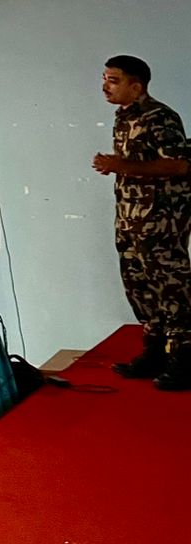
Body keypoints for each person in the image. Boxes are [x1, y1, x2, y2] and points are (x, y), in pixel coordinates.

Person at [94, 54, 191, 389]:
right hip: (131, 218)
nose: (105, 86)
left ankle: (185, 358)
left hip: (161, 220)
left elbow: (178, 165)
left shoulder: (161, 117)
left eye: (114, 80)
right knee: (139, 287)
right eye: (105, 79)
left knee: (172, 287)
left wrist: (120, 165)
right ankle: (156, 352)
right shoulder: (124, 118)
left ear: (136, 87)